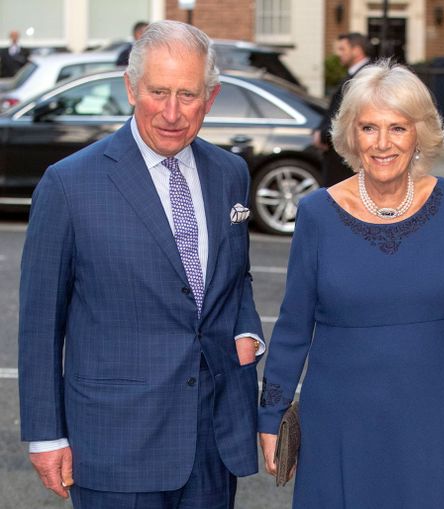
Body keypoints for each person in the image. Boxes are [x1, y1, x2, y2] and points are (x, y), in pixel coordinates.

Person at [19, 20, 264, 509]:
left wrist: (247, 332)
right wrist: (46, 435)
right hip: (115, 444)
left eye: (188, 95)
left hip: (212, 441)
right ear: (131, 88)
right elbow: (40, 321)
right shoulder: (69, 184)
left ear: (210, 98)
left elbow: (236, 278)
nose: (172, 113)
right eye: (158, 92)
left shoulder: (230, 174)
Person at [259, 60, 444, 508]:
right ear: (351, 136)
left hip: (431, 424)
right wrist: (271, 417)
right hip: (339, 427)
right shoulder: (317, 214)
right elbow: (292, 327)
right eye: (369, 128)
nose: (383, 144)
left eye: (398, 128)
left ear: (418, 134)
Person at [313, 32, 373, 186]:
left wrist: (324, 135)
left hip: (346, 156)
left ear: (357, 50)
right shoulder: (355, 75)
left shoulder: (365, 77)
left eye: (342, 49)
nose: (338, 54)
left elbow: (352, 115)